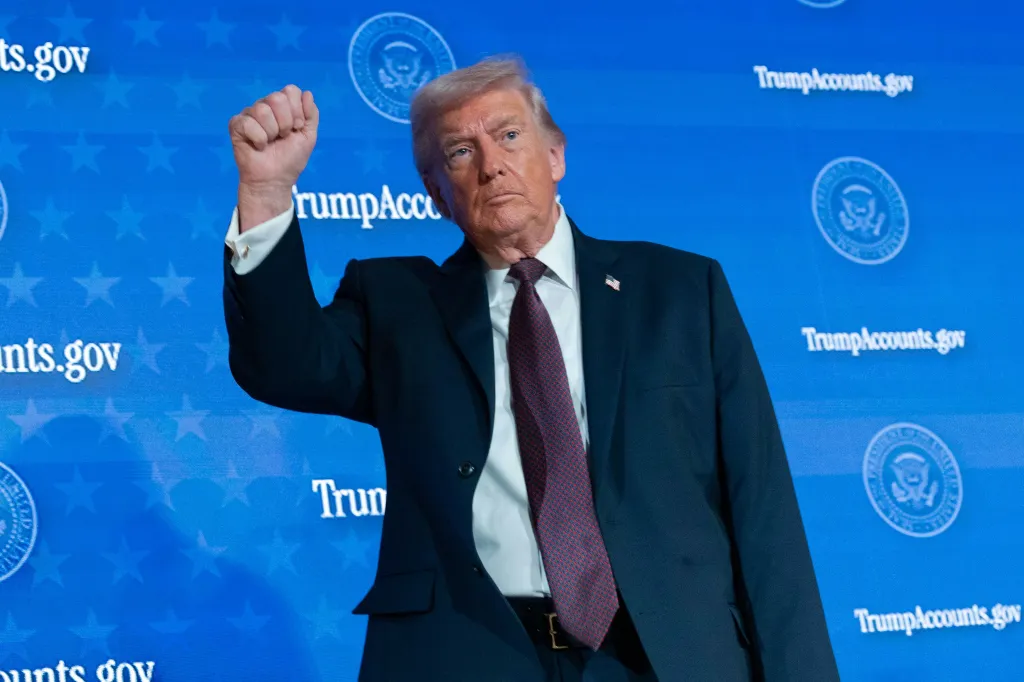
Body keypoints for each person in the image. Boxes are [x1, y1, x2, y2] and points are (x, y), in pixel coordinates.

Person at [221, 56, 841, 682]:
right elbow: (282, 365)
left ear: (555, 155)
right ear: (436, 193)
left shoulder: (680, 290)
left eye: (510, 135)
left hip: (666, 656)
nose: (492, 165)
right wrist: (266, 192)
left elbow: (762, 507)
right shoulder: (398, 307)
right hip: (468, 657)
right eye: (461, 151)